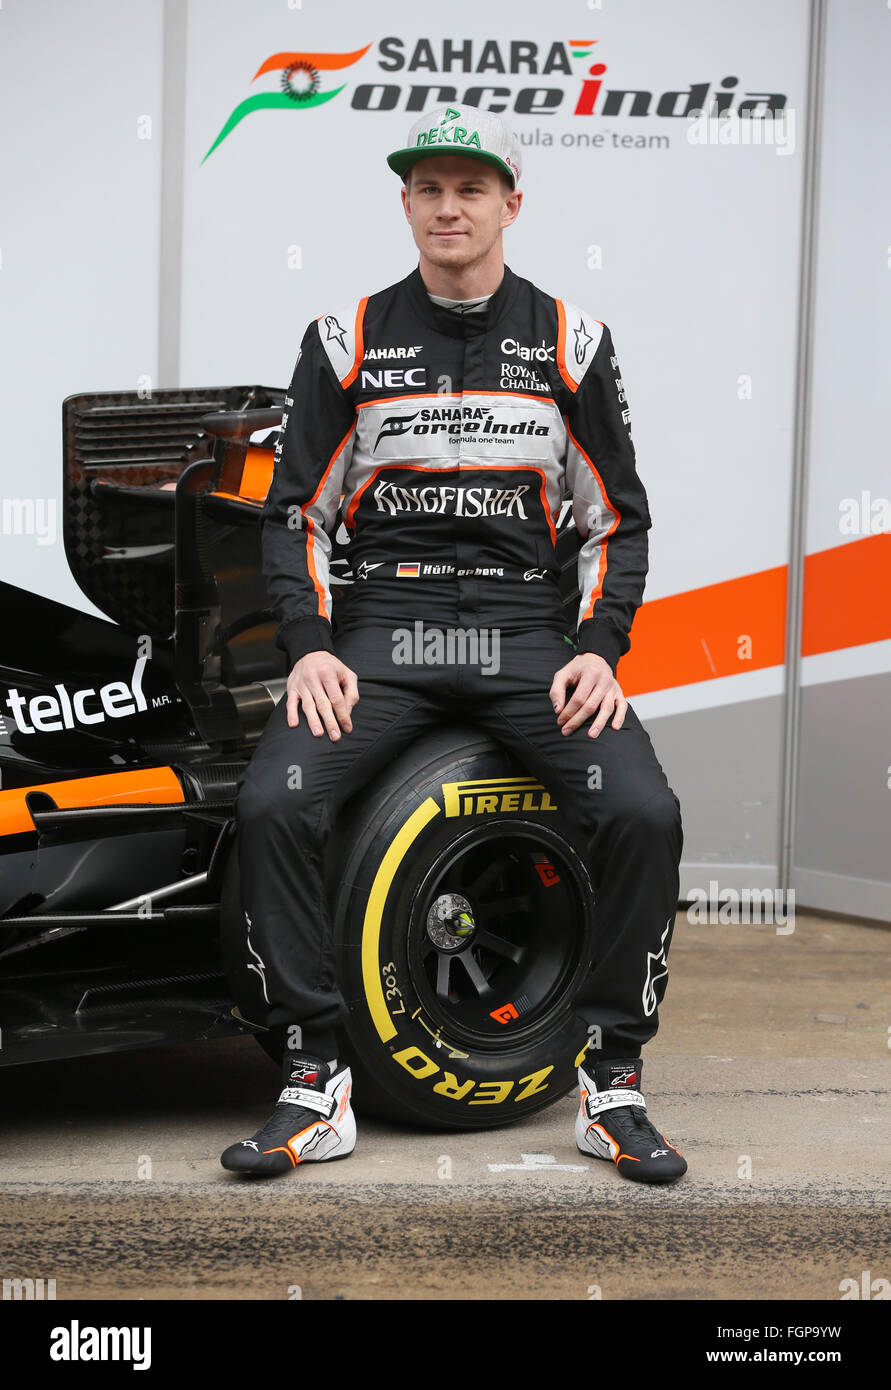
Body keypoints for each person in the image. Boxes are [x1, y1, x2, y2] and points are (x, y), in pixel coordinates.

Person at [220, 104, 686, 1184]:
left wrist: (598, 646)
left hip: (528, 640)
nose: (448, 207)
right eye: (428, 188)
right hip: (386, 636)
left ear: (510, 205)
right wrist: (309, 643)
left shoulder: (573, 340)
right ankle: (315, 1074)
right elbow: (294, 515)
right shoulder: (344, 340)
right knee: (271, 804)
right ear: (406, 204)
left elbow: (617, 517)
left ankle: (611, 1078)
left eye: (470, 189)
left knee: (644, 812)